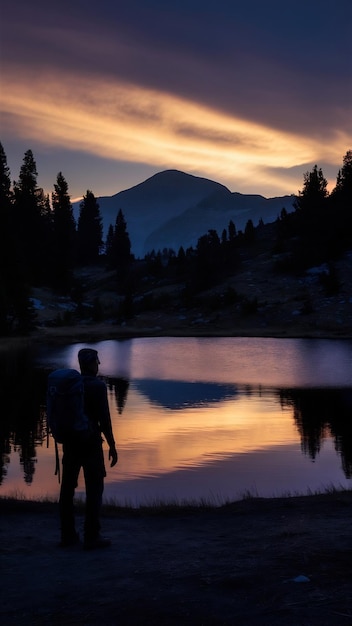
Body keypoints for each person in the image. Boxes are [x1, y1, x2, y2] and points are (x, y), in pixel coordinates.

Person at [59, 348, 118, 549]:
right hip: (91, 444)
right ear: (91, 363)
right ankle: (92, 536)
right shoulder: (97, 387)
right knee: (95, 488)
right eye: (97, 362)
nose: (99, 365)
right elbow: (104, 419)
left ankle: (67, 536)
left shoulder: (69, 385)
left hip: (70, 444)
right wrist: (112, 445)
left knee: (67, 489)